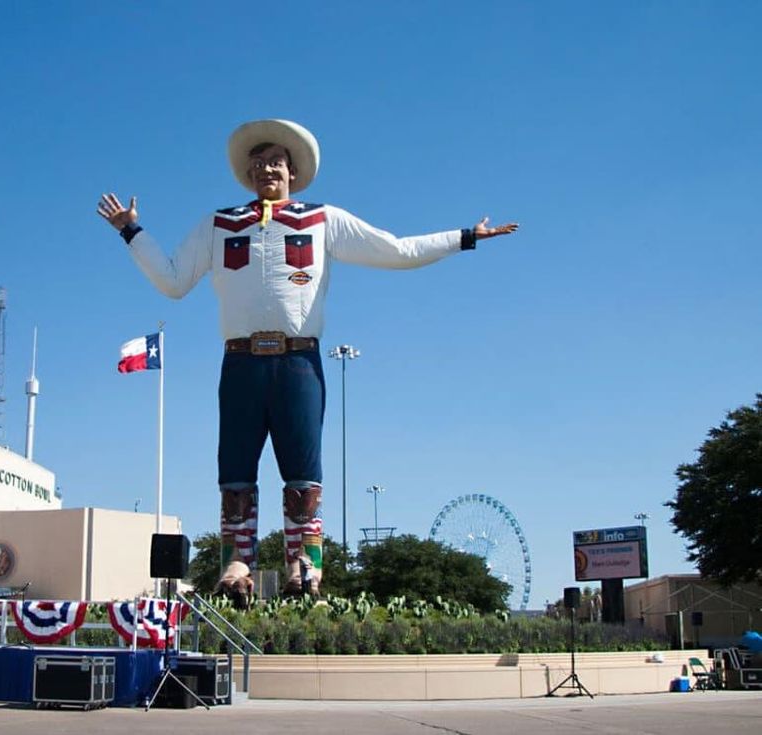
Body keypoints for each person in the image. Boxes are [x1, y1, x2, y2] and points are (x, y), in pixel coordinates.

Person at [98, 119, 518, 606]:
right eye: (257, 164)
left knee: (303, 469)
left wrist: (465, 236)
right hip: (240, 362)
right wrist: (132, 231)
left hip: (300, 361)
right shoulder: (220, 223)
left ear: (293, 171)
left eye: (275, 162)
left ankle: (306, 563)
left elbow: (397, 250)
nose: (266, 170)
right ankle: (237, 560)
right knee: (234, 468)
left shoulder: (322, 219)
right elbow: (172, 281)